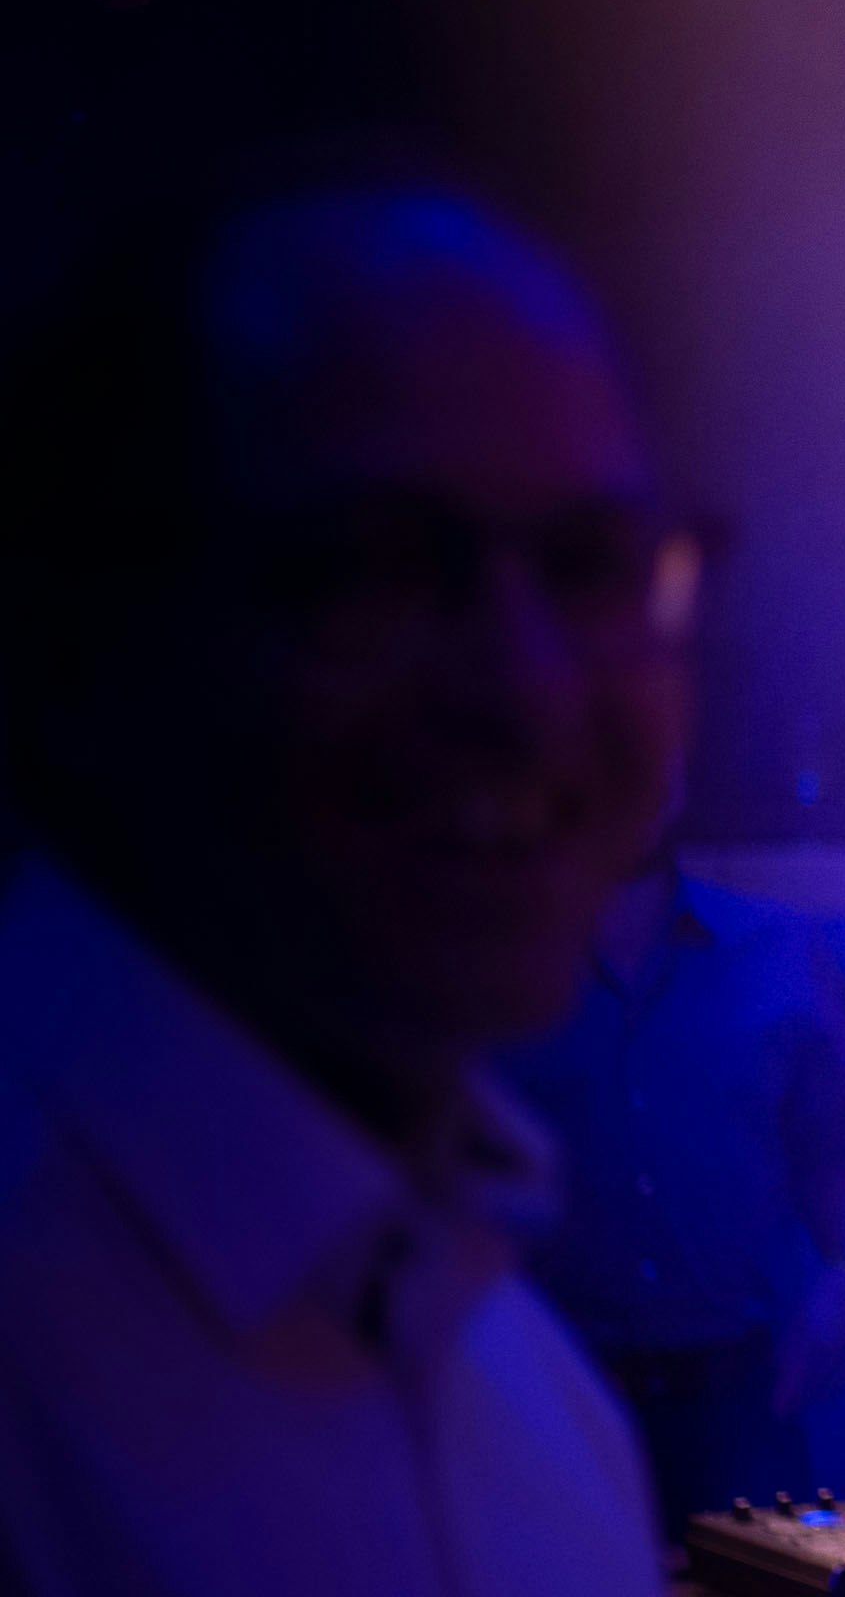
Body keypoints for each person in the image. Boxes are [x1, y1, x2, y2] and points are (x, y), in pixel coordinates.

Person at [0, 178, 684, 1596]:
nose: (530, 688)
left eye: (591, 568)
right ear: (77, 646)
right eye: (376, 571)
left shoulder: (544, 1424)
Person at [503, 850, 845, 1536]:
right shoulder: (496, 953)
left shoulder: (776, 945)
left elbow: (841, 1150)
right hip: (547, 1400)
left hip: (741, 1403)